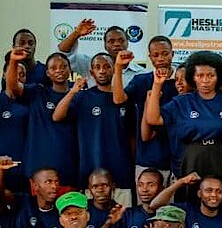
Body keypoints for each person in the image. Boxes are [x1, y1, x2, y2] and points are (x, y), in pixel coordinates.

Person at [144, 51, 222, 210]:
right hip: (192, 162)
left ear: (218, 76)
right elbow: (153, 119)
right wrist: (157, 84)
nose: (205, 80)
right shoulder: (182, 102)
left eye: (210, 76)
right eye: (200, 76)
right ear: (192, 77)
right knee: (191, 207)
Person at [52, 52, 135, 195]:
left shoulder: (125, 98)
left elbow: (132, 137)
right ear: (91, 72)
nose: (102, 71)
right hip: (91, 174)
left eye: (107, 67)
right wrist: (72, 92)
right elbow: (57, 116)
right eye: (97, 67)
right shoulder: (82, 97)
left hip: (121, 174)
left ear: (113, 70)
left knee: (122, 210)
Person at [5, 49, 79, 189]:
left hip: (68, 170)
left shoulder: (79, 96)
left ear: (70, 70)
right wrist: (13, 61)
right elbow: (13, 87)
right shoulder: (37, 93)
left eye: (63, 66)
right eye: (53, 68)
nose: (59, 70)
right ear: (47, 73)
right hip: (36, 169)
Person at [113, 37, 177, 181]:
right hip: (148, 158)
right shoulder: (141, 80)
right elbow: (118, 99)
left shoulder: (181, 82)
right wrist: (118, 67)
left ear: (172, 54)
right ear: (150, 57)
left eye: (165, 53)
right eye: (156, 55)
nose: (160, 58)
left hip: (177, 160)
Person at [97, 167, 164, 228]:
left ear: (162, 188)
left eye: (151, 185)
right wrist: (108, 224)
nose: (144, 189)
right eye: (140, 185)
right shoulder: (127, 215)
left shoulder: (169, 216)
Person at [57, 20, 146, 87]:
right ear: (105, 45)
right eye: (111, 41)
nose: (116, 44)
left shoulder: (141, 73)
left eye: (121, 40)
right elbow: (63, 55)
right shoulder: (91, 64)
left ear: (127, 43)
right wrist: (76, 33)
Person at [0, 54, 29, 192]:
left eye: (22, 75)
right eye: (15, 73)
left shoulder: (33, 104)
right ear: (5, 75)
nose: (18, 78)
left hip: (26, 171)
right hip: (2, 168)